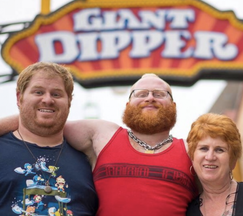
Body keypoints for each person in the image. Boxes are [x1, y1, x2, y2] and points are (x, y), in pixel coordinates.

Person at [0, 73, 198, 216]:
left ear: (173, 106)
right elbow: (43, 120)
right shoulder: (102, 135)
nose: (150, 98)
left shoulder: (191, 151)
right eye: (141, 93)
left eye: (160, 94)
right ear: (128, 105)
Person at [0, 62, 98, 215]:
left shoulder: (91, 159)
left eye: (56, 94)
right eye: (38, 92)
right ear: (19, 98)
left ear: (69, 101)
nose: (47, 100)